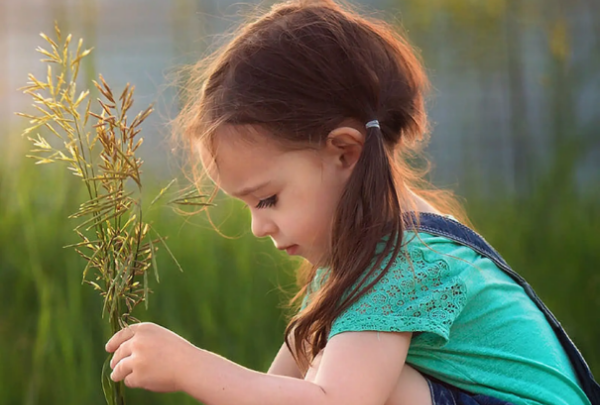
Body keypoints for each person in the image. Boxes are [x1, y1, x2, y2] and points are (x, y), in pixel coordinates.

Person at [105, 0, 599, 404]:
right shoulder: (362, 257)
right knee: (329, 364)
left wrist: (195, 368)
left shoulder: (402, 265)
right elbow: (283, 390)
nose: (258, 227)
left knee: (363, 388)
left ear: (345, 152)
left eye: (268, 199)